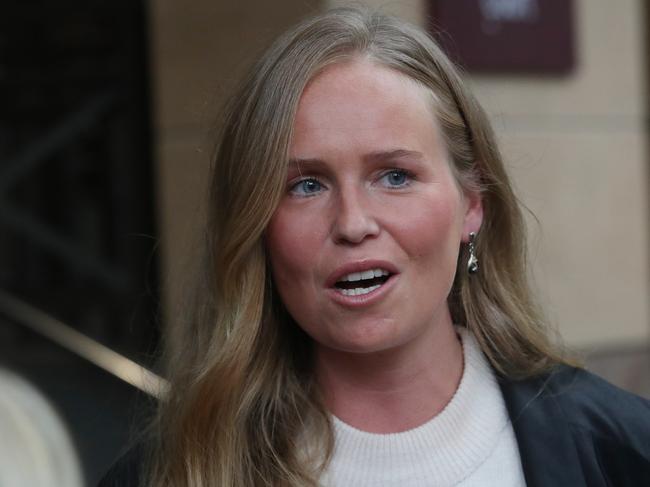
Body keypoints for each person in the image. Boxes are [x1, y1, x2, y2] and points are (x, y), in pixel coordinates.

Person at [100, 7, 650, 487]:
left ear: (472, 203)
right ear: (257, 226)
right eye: (305, 185)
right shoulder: (166, 474)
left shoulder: (623, 449)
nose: (353, 223)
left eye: (394, 176)